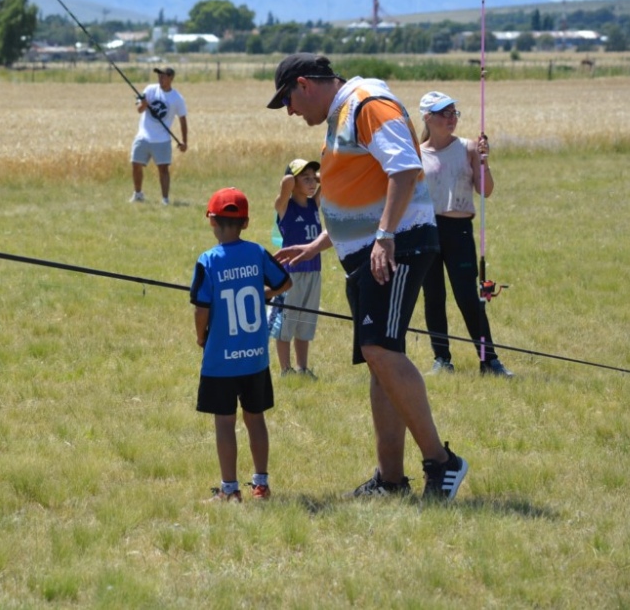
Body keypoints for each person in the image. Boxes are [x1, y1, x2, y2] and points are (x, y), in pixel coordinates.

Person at [267, 53, 468, 500]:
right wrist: (317, 244)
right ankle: (391, 480)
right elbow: (361, 190)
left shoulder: (366, 102)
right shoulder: (343, 113)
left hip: (399, 246)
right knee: (379, 360)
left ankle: (442, 462)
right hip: (373, 252)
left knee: (380, 349)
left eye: (289, 100)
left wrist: (384, 236)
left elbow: (404, 167)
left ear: (305, 84)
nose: (291, 112)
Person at [190, 188, 292, 502]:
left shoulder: (208, 261)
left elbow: (201, 308)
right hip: (255, 359)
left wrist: (200, 336)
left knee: (225, 422)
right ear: (245, 223)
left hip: (221, 359)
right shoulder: (257, 253)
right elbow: (285, 282)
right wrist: (263, 295)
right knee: (255, 417)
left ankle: (230, 490)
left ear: (212, 222)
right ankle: (261, 484)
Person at [418, 91, 514, 378]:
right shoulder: (417, 153)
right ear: (428, 118)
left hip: (458, 230)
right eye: (444, 114)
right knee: (433, 296)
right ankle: (441, 359)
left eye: (454, 113)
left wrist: (484, 161)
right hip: (426, 231)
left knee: (467, 297)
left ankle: (489, 361)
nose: (451, 119)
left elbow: (485, 190)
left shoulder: (469, 148)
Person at [272, 158, 324, 378]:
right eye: (306, 178)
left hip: (313, 271)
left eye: (314, 178)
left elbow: (328, 182)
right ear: (293, 181)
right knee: (286, 322)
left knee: (305, 320)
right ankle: (286, 369)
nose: (312, 183)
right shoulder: (285, 206)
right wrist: (292, 179)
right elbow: (284, 185)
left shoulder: (314, 204)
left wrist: (316, 178)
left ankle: (302, 367)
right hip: (291, 273)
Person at [129, 66, 188, 206]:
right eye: (159, 76)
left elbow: (183, 120)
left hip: (162, 139)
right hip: (143, 136)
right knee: (135, 164)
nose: (160, 79)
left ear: (171, 78)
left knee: (163, 169)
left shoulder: (177, 98)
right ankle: (138, 194)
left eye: (163, 76)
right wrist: (144, 104)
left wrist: (184, 141)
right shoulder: (150, 90)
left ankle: (165, 199)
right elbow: (139, 110)